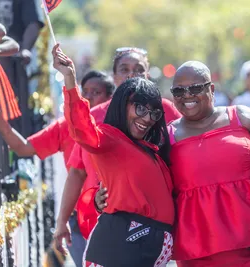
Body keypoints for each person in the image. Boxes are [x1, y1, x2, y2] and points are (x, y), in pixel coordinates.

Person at [95, 61, 250, 266]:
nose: (187, 96)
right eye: (179, 91)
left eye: (195, 88)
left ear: (211, 89)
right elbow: (140, 177)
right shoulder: (164, 136)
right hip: (201, 249)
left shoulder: (242, 116)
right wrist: (103, 197)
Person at [53, 44, 175, 267]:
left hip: (142, 246)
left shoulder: (147, 146)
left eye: (153, 112)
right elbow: (81, 130)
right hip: (123, 241)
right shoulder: (110, 137)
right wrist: (70, 79)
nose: (147, 118)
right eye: (139, 108)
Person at [0, 69, 115, 267]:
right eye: (85, 92)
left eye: (96, 92)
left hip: (112, 215)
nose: (89, 97)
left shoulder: (118, 126)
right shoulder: (66, 126)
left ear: (110, 98)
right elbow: (23, 148)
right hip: (78, 217)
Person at [0, 0, 45, 137]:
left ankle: (17, 133)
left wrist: (24, 49)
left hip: (13, 55)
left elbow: (33, 24)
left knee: (8, 59)